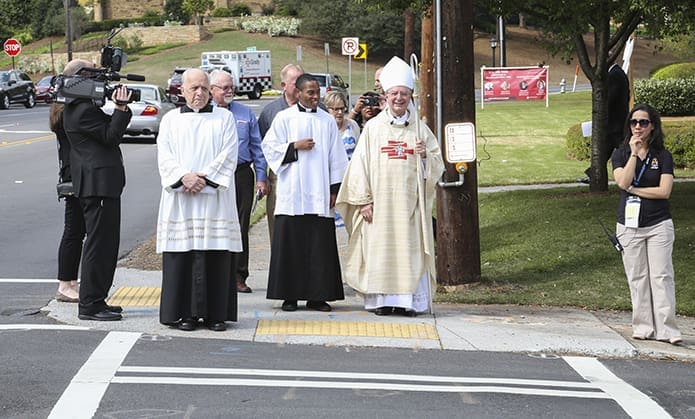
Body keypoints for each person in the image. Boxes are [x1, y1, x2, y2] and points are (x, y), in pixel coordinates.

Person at [335, 56, 444, 317]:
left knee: (409, 253)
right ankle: (381, 301)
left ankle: (409, 302)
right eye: (394, 93)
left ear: (410, 96)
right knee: (381, 252)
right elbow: (359, 166)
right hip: (379, 206)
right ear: (386, 95)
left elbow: (437, 162)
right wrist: (363, 201)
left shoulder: (420, 128)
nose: (399, 98)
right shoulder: (373, 128)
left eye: (403, 94)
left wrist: (425, 155)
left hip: (409, 206)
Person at [156, 68, 242, 332]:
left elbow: (230, 153)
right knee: (183, 254)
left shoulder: (224, 118)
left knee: (215, 255)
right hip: (182, 199)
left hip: (214, 200)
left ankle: (217, 314)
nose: (199, 93)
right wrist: (184, 177)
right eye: (194, 88)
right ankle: (184, 314)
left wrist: (204, 179)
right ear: (181, 90)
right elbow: (164, 154)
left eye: (204, 88)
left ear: (211, 91)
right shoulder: (170, 119)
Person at [261, 74, 348, 312]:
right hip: (292, 193)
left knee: (318, 246)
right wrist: (294, 147)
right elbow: (268, 147)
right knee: (291, 244)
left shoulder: (327, 121)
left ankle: (318, 296)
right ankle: (289, 296)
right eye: (310, 93)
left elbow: (337, 157)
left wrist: (334, 189)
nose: (315, 97)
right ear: (297, 93)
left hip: (319, 192)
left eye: (317, 92)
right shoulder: (284, 118)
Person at [61, 59, 132, 321]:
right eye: (93, 75)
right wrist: (121, 108)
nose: (99, 81)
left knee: (103, 244)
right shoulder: (82, 111)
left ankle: (97, 299)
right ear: (79, 80)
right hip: (98, 187)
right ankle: (90, 304)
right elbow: (112, 136)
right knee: (98, 246)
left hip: (98, 185)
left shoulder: (77, 107)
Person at [611, 103, 682, 345]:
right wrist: (633, 153)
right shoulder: (620, 153)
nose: (638, 127)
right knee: (637, 277)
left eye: (644, 122)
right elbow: (622, 182)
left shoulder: (663, 156)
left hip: (658, 223)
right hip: (629, 226)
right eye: (634, 122)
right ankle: (642, 326)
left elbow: (664, 191)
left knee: (661, 276)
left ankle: (667, 329)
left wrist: (636, 190)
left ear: (653, 126)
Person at [210, 70, 268, 294]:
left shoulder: (245, 113)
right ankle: (216, 275)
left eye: (231, 86)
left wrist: (261, 177)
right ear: (212, 90)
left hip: (241, 174)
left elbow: (257, 147)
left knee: (240, 226)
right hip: (214, 177)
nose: (229, 91)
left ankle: (238, 276)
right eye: (224, 88)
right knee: (215, 225)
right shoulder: (207, 114)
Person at [258, 64, 304, 243]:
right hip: (280, 177)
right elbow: (261, 147)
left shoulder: (318, 109)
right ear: (283, 85)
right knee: (279, 228)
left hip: (308, 177)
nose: (300, 86)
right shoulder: (271, 111)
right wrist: (262, 177)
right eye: (295, 82)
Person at [51, 102, 84, 303]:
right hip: (74, 177)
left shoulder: (61, 111)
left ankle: (70, 282)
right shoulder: (67, 114)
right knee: (73, 232)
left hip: (72, 175)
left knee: (76, 232)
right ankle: (65, 284)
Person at [579, 62, 629, 183]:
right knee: (605, 151)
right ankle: (594, 174)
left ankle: (636, 171)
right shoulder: (619, 73)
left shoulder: (614, 75)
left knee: (624, 150)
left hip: (615, 122)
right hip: (616, 121)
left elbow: (610, 98)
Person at [324, 91, 360, 160]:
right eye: (336, 109)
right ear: (327, 109)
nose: (340, 112)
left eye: (342, 108)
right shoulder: (322, 128)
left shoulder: (352, 125)